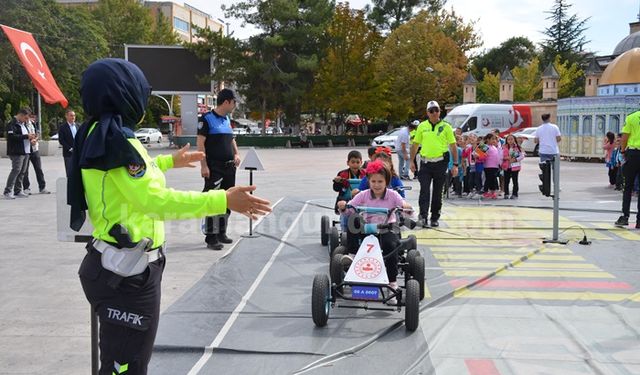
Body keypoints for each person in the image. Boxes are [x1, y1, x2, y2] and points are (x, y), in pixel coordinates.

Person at [70, 58, 271, 375]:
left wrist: (166, 163)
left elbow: (123, 178)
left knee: (123, 358)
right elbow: (155, 201)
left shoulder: (100, 133)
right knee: (127, 363)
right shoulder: (117, 140)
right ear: (122, 93)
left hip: (117, 265)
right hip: (127, 275)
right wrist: (222, 199)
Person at [337, 160, 412, 296]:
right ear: (369, 181)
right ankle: (353, 255)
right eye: (373, 182)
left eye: (380, 182)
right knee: (353, 219)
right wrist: (343, 206)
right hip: (366, 229)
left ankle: (392, 282)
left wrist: (406, 207)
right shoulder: (363, 195)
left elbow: (403, 205)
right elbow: (349, 209)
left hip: (386, 229)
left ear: (386, 182)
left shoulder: (393, 195)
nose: (376, 185)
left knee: (390, 246)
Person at [197, 89, 242, 250]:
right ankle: (211, 237)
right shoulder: (207, 119)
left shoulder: (227, 119)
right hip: (214, 167)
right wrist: (203, 165)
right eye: (234, 102)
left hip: (229, 167)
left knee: (227, 200)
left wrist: (236, 154)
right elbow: (200, 143)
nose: (235, 105)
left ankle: (222, 232)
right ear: (227, 102)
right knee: (213, 201)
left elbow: (231, 139)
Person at [410, 101, 458, 227]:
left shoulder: (446, 126)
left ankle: (435, 216)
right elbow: (415, 144)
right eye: (431, 111)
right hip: (426, 163)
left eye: (436, 110)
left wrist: (455, 164)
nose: (434, 113)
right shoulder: (422, 126)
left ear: (439, 111)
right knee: (424, 190)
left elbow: (453, 145)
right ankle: (423, 216)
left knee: (438, 191)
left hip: (441, 162)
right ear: (427, 113)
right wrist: (411, 161)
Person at [615, 110, 640, 228]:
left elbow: (624, 137)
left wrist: (623, 151)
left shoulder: (631, 117)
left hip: (633, 154)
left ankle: (625, 216)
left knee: (628, 186)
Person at [3, 107, 35, 199]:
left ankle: (18, 190)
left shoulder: (23, 124)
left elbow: (25, 136)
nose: (27, 120)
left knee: (22, 172)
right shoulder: (12, 124)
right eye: (26, 118)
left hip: (26, 151)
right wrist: (26, 136)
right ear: (21, 115)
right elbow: (12, 137)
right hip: (17, 151)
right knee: (16, 170)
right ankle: (7, 191)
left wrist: (31, 139)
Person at [333, 150, 366, 230]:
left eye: (358, 162)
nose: (355, 164)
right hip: (345, 200)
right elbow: (336, 189)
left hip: (361, 201)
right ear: (348, 163)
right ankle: (344, 230)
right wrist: (337, 182)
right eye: (353, 162)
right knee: (345, 216)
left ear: (361, 162)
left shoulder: (365, 174)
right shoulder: (342, 174)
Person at [22, 113, 50, 194]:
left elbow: (37, 133)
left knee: (39, 169)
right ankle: (26, 188)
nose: (28, 118)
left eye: (29, 117)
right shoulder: (22, 124)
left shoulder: (33, 123)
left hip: (35, 149)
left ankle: (42, 187)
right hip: (26, 149)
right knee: (25, 170)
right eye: (26, 117)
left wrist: (36, 139)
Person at [502, 134, 525, 199]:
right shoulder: (504, 147)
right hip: (507, 167)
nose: (510, 141)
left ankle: (515, 194)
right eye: (508, 139)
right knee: (506, 181)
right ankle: (506, 193)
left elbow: (522, 156)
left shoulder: (518, 147)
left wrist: (515, 159)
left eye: (511, 139)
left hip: (515, 167)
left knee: (515, 181)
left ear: (514, 140)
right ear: (506, 140)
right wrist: (506, 158)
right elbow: (501, 156)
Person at [59, 109, 79, 177]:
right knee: (69, 171)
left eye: (74, 115)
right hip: (68, 153)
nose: (73, 117)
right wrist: (70, 148)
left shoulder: (78, 126)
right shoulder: (62, 127)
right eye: (71, 115)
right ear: (66, 116)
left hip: (78, 152)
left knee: (78, 171)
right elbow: (61, 140)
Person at [481, 133, 500, 199]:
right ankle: (486, 191)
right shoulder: (485, 146)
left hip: (495, 166)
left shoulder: (494, 147)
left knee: (493, 179)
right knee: (489, 179)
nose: (494, 140)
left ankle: (492, 192)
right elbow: (476, 154)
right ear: (488, 139)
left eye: (495, 139)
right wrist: (483, 155)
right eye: (492, 139)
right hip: (488, 166)